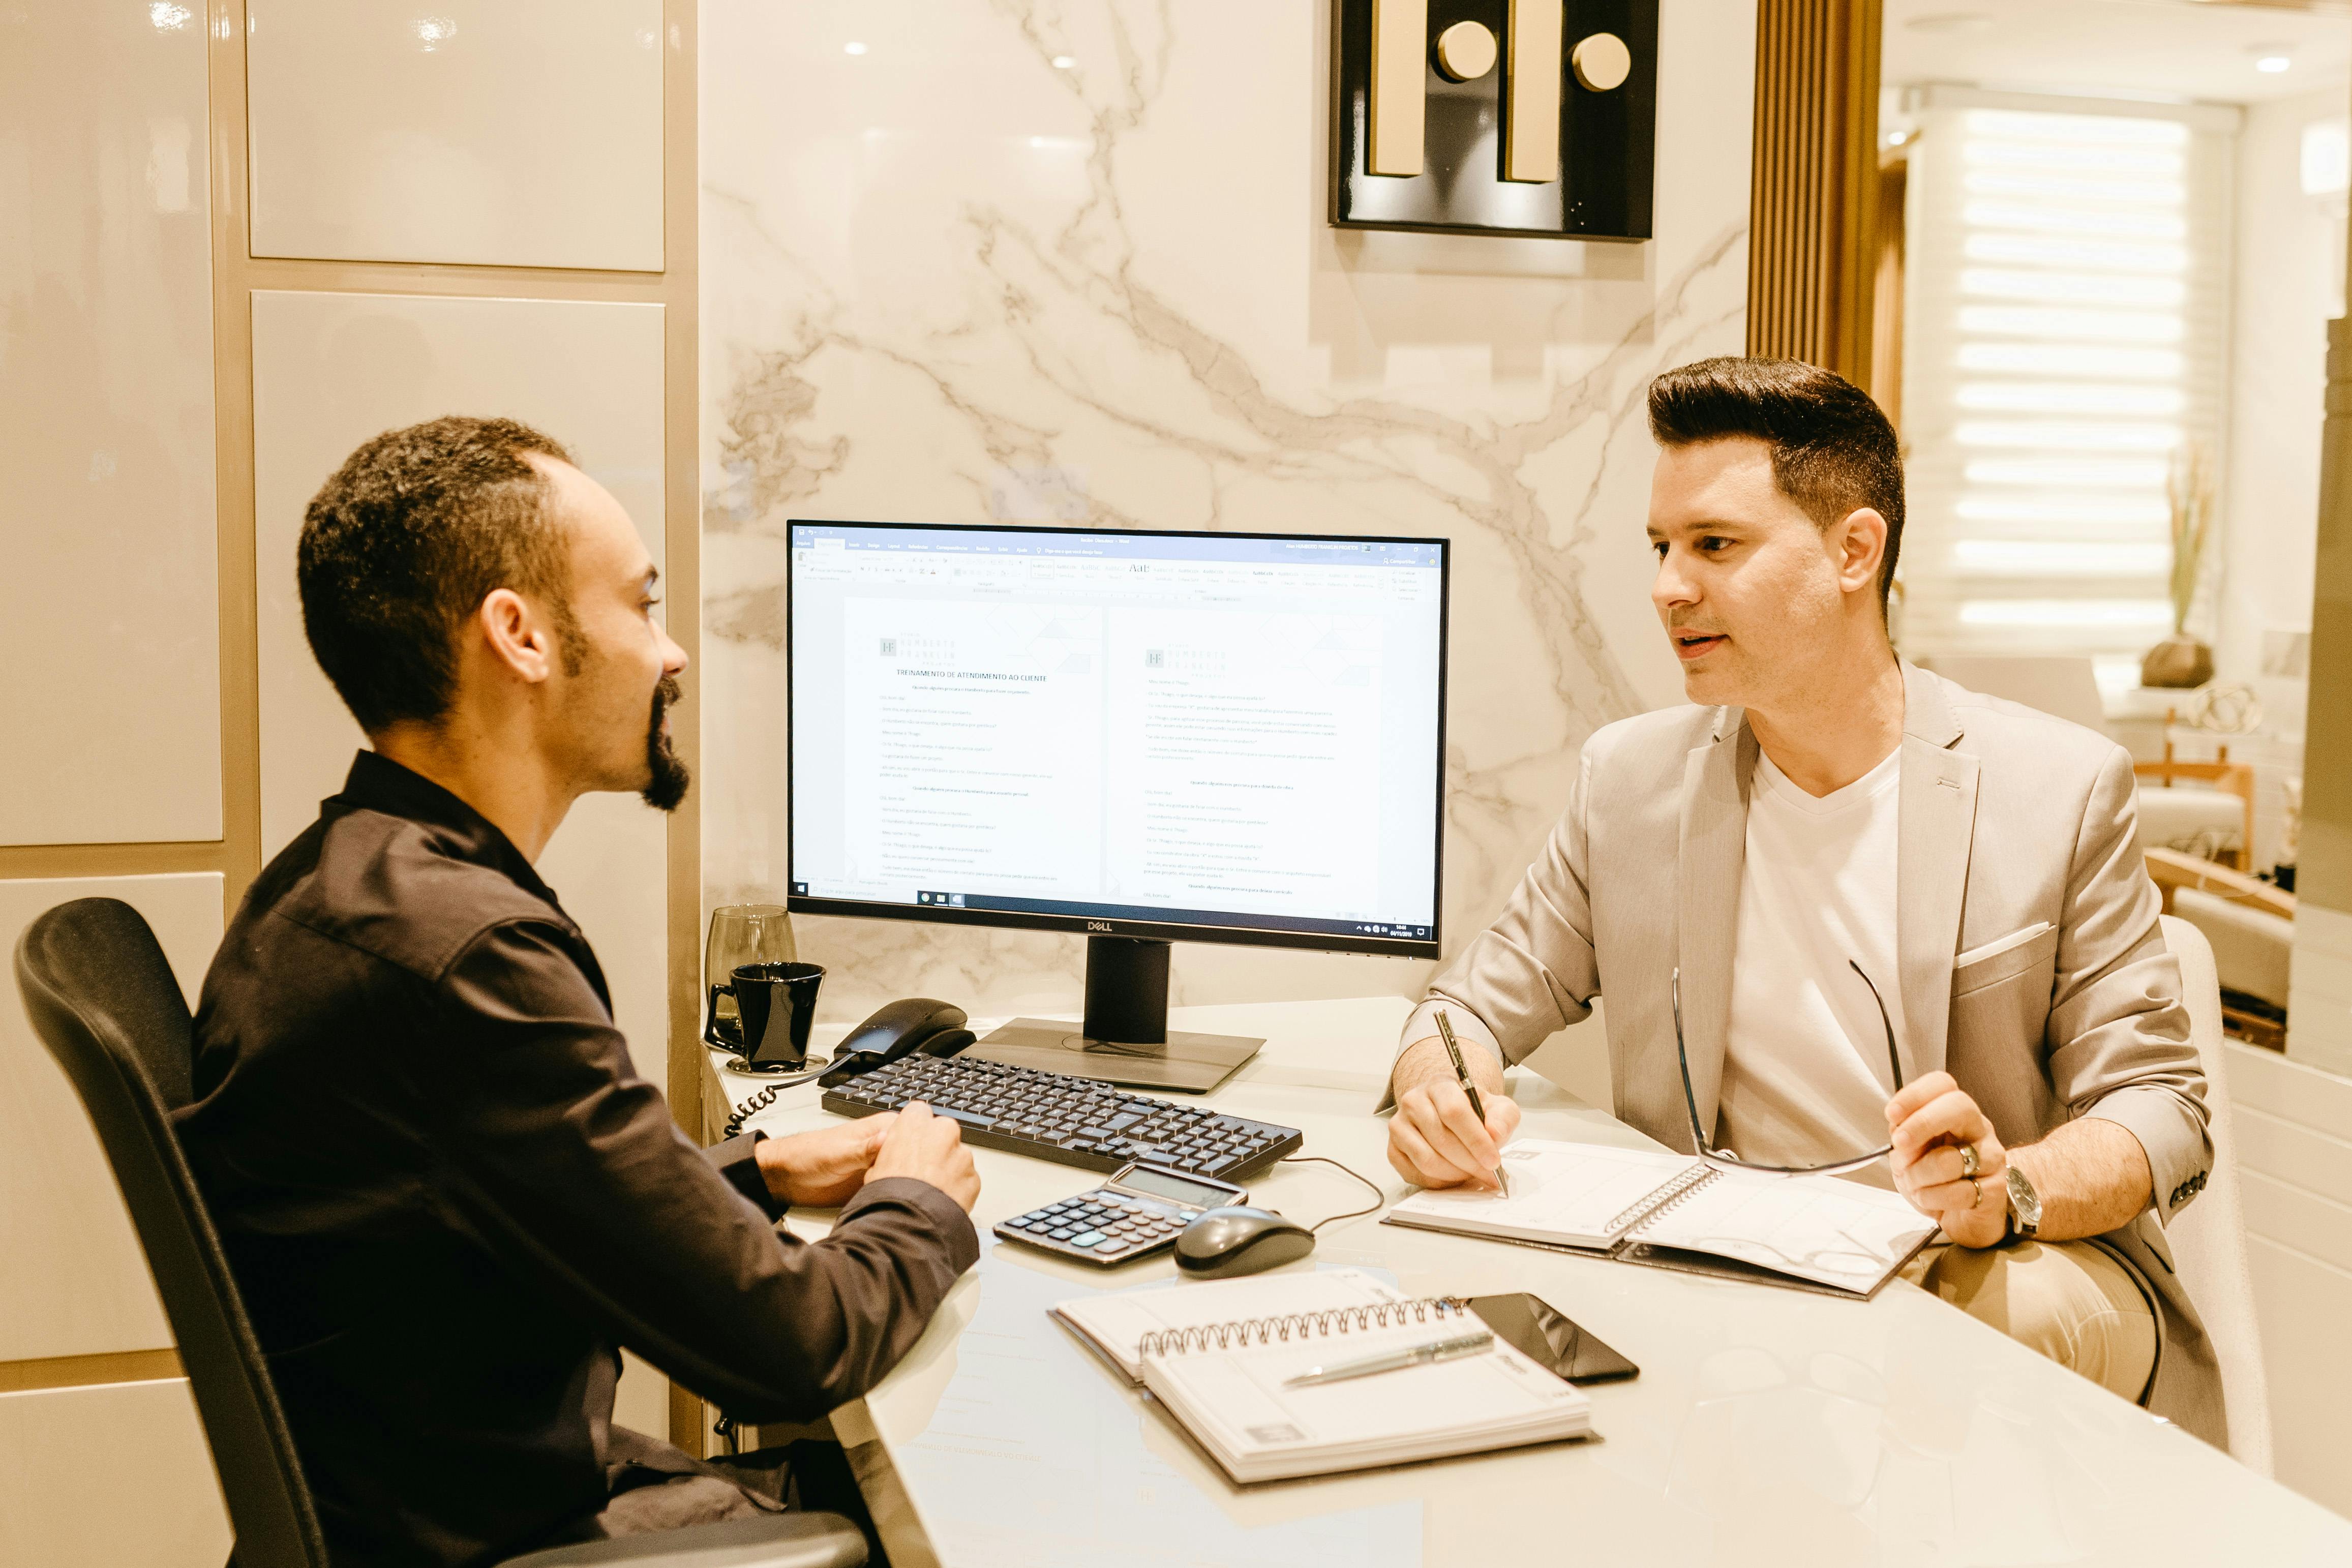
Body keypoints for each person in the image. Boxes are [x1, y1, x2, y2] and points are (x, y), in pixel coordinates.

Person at [179, 416, 982, 1566]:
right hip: (496, 1536)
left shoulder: (343, 885)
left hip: (431, 1501)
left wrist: (751, 1173)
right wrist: (920, 1204)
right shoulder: (462, 961)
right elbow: (792, 1345)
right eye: (643, 605)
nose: (674, 655)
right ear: (521, 636)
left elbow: (469, 1214)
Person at [1384, 358, 2224, 1443]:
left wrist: (2007, 1185)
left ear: (1853, 551)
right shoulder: (1631, 783)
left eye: (1715, 546)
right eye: (1662, 547)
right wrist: (1436, 1092)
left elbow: (2161, 1109)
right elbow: (1467, 1010)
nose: (1667, 586)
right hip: (1728, 1256)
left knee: (1942, 1336)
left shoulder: (2057, 788)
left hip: (2000, 1254)